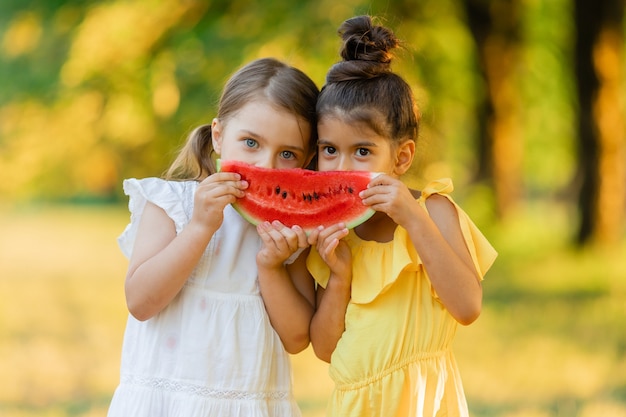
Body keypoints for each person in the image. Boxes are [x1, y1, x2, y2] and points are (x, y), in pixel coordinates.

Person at [306, 16, 498, 417]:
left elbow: (467, 307)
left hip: (423, 404)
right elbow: (325, 350)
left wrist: (414, 220)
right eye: (329, 150)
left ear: (402, 156)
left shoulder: (433, 209)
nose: (343, 166)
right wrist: (339, 276)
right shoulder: (336, 235)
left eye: (362, 151)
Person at [108, 57, 319, 417]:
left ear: (307, 161)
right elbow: (140, 302)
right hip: (166, 405)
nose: (265, 166)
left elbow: (297, 338)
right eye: (250, 142)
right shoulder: (171, 204)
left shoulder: (288, 233)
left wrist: (271, 266)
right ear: (218, 136)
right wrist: (200, 227)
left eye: (287, 154)